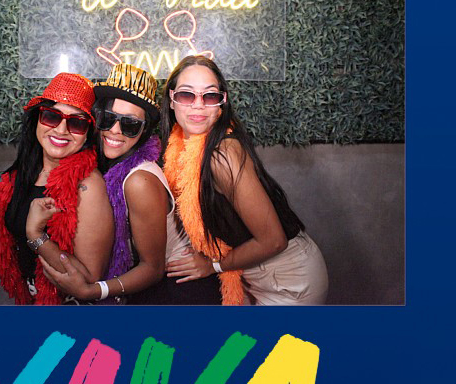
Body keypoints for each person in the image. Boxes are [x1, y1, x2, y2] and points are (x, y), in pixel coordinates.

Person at [42, 63, 217, 306]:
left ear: (144, 131)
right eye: (107, 119)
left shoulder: (139, 181)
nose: (115, 131)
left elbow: (152, 268)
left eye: (130, 125)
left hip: (177, 294)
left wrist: (92, 291)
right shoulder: (101, 166)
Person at [160, 56, 329, 306]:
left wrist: (212, 265)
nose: (198, 105)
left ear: (222, 103)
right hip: (253, 274)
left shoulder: (221, 156)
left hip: (289, 280)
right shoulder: (179, 150)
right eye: (187, 95)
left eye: (210, 96)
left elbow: (274, 240)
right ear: (172, 99)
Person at [0, 73, 113, 307]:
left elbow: (87, 279)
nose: (61, 130)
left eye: (77, 123)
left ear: (87, 133)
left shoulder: (88, 186)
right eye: (52, 117)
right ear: (38, 120)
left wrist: (36, 234)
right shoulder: (21, 174)